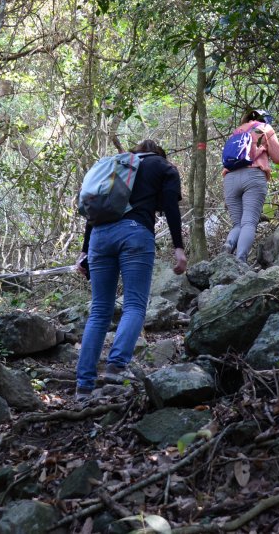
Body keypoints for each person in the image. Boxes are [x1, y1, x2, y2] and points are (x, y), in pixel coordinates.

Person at [74, 139, 187, 401]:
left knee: (100, 309)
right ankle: (116, 366)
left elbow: (97, 208)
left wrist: (84, 251)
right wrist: (178, 248)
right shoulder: (163, 166)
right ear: (158, 153)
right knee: (135, 304)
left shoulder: (116, 166)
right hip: (135, 234)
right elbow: (170, 205)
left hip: (99, 237)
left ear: (136, 153)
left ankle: (83, 387)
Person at [222, 109, 279, 263]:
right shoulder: (265, 128)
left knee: (237, 223)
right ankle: (240, 260)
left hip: (230, 178)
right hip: (253, 177)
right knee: (249, 222)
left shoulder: (236, 132)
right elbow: (278, 158)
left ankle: (229, 244)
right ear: (266, 119)